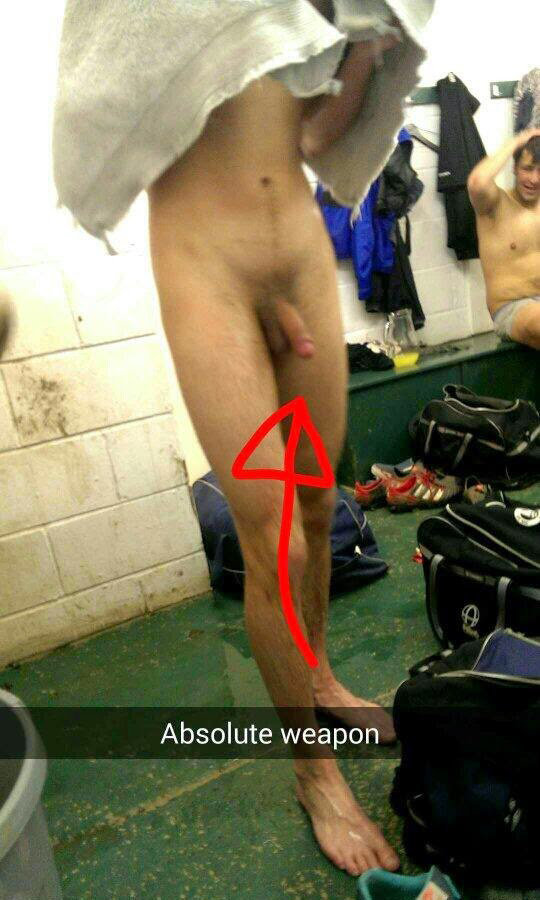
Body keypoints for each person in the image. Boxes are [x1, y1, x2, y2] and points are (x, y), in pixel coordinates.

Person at [53, 0, 435, 877]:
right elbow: (111, 98)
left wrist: (368, 48)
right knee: (272, 541)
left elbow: (312, 137)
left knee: (321, 505)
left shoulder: (287, 9)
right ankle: (315, 774)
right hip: (206, 266)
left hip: (297, 248)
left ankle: (321, 677)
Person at [467, 129, 540, 348]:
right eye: (527, 169)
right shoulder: (495, 204)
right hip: (513, 307)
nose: (534, 179)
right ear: (514, 168)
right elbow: (477, 182)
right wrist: (517, 141)